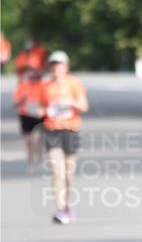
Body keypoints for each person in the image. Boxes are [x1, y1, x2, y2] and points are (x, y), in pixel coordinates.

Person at [38, 50, 89, 224]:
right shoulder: (45, 86)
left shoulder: (74, 83)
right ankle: (59, 208)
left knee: (68, 171)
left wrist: (69, 102)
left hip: (71, 128)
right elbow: (40, 108)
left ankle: (68, 205)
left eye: (59, 65)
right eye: (53, 65)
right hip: (51, 129)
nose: (56, 68)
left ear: (66, 67)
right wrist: (42, 111)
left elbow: (84, 106)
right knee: (56, 170)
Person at [12, 66, 45, 172]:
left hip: (38, 115)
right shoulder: (22, 86)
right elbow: (14, 104)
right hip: (25, 115)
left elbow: (47, 101)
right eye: (30, 76)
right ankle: (30, 161)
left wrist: (42, 109)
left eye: (34, 76)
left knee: (37, 139)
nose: (32, 78)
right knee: (28, 140)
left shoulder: (41, 86)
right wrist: (22, 98)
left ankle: (39, 159)